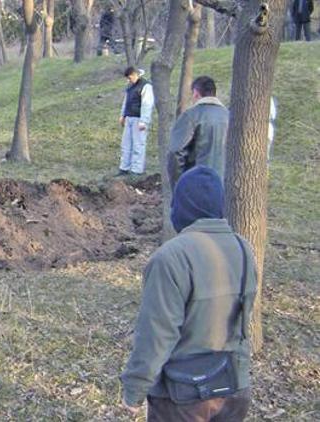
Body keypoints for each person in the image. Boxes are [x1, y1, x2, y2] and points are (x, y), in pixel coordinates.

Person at [120, 165, 257, 421]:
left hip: (182, 398)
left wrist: (134, 390)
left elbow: (157, 333)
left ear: (181, 206)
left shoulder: (170, 258)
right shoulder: (244, 248)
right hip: (234, 388)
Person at [167, 76, 229, 189]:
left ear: (195, 93)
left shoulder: (191, 116)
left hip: (197, 185)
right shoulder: (229, 116)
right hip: (225, 185)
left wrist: (179, 185)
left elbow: (175, 152)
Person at [117, 67, 154, 176]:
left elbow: (147, 104)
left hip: (139, 119)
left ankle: (137, 170)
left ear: (135, 75)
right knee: (126, 144)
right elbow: (126, 101)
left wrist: (144, 121)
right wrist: (122, 115)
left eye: (129, 78)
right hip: (129, 118)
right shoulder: (130, 86)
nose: (128, 80)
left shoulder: (146, 86)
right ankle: (124, 168)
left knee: (138, 145)